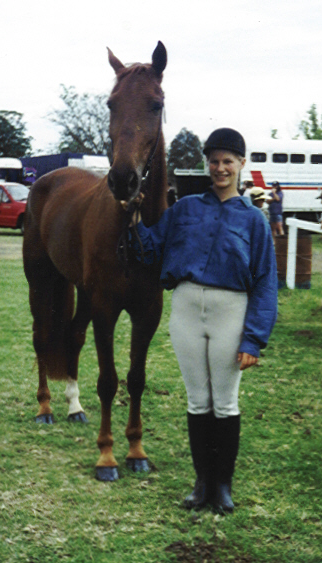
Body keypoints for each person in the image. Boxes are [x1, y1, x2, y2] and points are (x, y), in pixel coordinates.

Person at [127, 128, 278, 514]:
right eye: (214, 161)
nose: (220, 168)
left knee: (224, 402)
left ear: (241, 164)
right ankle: (201, 483)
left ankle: (222, 486)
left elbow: (264, 283)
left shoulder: (255, 221)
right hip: (187, 308)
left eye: (228, 161)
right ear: (206, 164)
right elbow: (149, 248)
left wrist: (253, 338)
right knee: (198, 400)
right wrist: (131, 216)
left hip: (231, 309)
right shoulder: (186, 208)